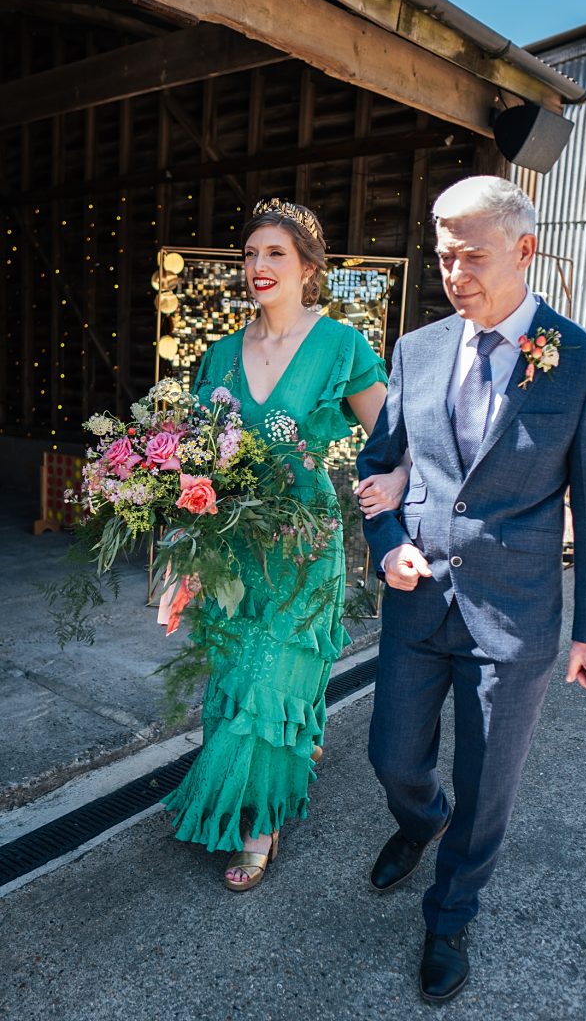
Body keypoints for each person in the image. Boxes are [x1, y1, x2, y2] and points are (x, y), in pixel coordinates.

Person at [356, 176, 586, 1002]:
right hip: (416, 599)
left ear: (523, 249)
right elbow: (379, 466)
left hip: (515, 617)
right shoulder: (416, 349)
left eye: (471, 255)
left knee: (486, 787)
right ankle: (416, 818)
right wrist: (388, 542)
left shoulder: (582, 361)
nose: (454, 272)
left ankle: (448, 916)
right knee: (390, 756)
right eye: (443, 255)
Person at [163, 198, 406, 890]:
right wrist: (182, 553)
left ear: (308, 266)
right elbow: (194, 463)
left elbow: (395, 437)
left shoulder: (340, 346)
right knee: (238, 681)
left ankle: (258, 823)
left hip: (303, 549)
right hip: (231, 555)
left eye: (274, 253)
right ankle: (270, 772)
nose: (258, 265)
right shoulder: (216, 355)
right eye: (250, 253)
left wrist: (394, 483)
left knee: (271, 681)